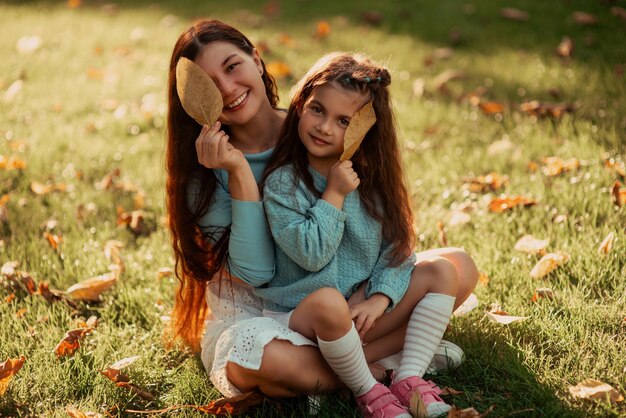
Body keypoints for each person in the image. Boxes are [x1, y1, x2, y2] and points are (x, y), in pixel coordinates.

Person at [164, 19, 479, 408]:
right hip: (273, 307)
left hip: (349, 288)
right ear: (193, 97)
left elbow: (384, 236)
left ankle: (349, 369)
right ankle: (380, 368)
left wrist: (375, 293)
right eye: (209, 83)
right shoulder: (206, 171)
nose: (227, 89)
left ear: (257, 61)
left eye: (232, 66)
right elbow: (258, 273)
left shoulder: (314, 126)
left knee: (458, 267)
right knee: (264, 361)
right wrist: (239, 173)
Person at [258, 52, 469, 417]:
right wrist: (334, 195)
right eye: (317, 109)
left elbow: (397, 249)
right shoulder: (283, 184)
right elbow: (312, 254)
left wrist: (380, 299)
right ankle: (368, 389)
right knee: (329, 302)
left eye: (343, 120)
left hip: (362, 312)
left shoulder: (373, 183)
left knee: (443, 271)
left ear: (366, 128)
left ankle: (408, 377)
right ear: (300, 105)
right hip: (307, 315)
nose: (325, 127)